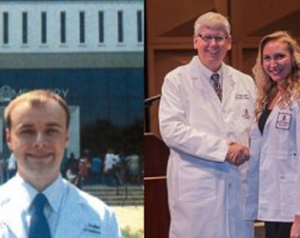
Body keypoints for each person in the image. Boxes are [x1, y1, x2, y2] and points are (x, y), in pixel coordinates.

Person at [158, 12, 256, 238]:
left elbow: (256, 131)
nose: (213, 44)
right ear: (195, 41)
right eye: (206, 37)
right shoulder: (176, 80)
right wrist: (223, 150)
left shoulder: (245, 82)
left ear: (229, 43)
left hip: (238, 188)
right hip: (197, 192)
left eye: (220, 38)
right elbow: (172, 130)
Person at [0, 90, 121, 238]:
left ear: (66, 137)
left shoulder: (102, 219)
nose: (40, 142)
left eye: (51, 131)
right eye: (27, 131)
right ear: (9, 139)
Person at [244, 31, 300, 238]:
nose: (272, 64)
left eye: (279, 56)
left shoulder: (297, 98)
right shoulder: (269, 97)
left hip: (292, 209)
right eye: (267, 58)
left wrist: (299, 218)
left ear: (293, 59)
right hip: (273, 205)